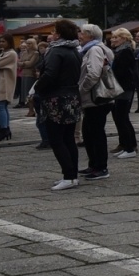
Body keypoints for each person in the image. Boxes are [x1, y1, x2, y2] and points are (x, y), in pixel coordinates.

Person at [34, 20, 84, 190]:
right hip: (72, 96)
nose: (52, 34)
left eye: (54, 31)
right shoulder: (75, 50)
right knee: (68, 137)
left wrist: (37, 88)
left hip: (56, 97)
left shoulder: (56, 51)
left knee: (56, 138)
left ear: (60, 34)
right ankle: (72, 175)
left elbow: (49, 74)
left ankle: (68, 176)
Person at [77, 24, 116, 179]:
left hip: (96, 98)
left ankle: (101, 167)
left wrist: (81, 90)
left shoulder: (94, 50)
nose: (79, 35)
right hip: (94, 99)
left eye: (82, 33)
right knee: (89, 132)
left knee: (96, 133)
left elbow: (93, 74)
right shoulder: (92, 49)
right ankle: (94, 164)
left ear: (90, 36)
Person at [109, 28, 139, 159]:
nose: (113, 40)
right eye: (113, 37)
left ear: (124, 39)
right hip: (122, 88)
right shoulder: (121, 51)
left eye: (116, 37)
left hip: (124, 88)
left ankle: (130, 147)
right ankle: (127, 144)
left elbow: (123, 72)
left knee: (122, 117)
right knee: (120, 116)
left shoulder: (125, 52)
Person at [0, 34, 18, 142]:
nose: (1, 44)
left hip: (5, 82)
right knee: (1, 106)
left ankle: (3, 129)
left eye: (3, 41)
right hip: (0, 81)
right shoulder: (2, 52)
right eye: (0, 41)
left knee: (0, 106)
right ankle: (3, 127)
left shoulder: (11, 53)